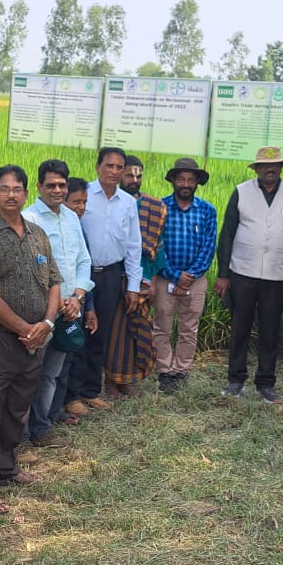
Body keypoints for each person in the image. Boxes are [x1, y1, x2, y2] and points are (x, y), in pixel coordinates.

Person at [0, 165, 62, 515]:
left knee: (18, 409)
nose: (11, 195)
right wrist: (24, 328)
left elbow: (53, 281)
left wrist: (47, 323)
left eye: (17, 189)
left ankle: (7, 466)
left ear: (25, 194)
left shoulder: (38, 234)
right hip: (1, 339)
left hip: (36, 338)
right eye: (4, 189)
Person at [214, 146, 283, 402]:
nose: (270, 169)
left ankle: (266, 383)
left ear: (281, 168)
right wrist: (223, 274)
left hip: (278, 276)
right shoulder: (241, 192)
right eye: (265, 165)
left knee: (270, 330)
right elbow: (227, 234)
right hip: (242, 272)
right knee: (240, 329)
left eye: (275, 165)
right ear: (256, 168)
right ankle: (236, 380)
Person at [22, 159, 94, 445]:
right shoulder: (29, 219)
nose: (57, 190)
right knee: (29, 375)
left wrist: (77, 297)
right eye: (50, 185)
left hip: (69, 310)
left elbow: (83, 261)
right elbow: (30, 270)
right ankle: (21, 435)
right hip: (41, 312)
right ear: (39, 187)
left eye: (61, 185)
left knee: (52, 373)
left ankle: (42, 428)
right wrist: (58, 302)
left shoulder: (71, 218)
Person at [68, 147, 141, 410]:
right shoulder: (82, 196)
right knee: (76, 335)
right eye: (108, 166)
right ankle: (71, 395)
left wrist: (133, 285)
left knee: (101, 335)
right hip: (80, 276)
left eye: (119, 167)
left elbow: (134, 245)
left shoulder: (128, 203)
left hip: (110, 276)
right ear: (98, 167)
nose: (113, 171)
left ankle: (90, 390)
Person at [104, 154, 166, 398]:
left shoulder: (154, 207)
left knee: (134, 330)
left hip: (143, 280)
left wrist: (150, 281)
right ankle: (111, 381)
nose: (134, 179)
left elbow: (158, 249)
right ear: (120, 175)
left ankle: (127, 380)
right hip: (115, 276)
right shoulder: (113, 203)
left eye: (138, 175)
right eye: (129, 174)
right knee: (114, 332)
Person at [153, 158, 217, 394]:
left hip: (195, 279)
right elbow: (156, 246)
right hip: (165, 277)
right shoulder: (160, 207)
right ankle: (164, 371)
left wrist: (190, 275)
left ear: (197, 183)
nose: (186, 183)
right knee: (162, 326)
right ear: (173, 180)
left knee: (189, 328)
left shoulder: (207, 210)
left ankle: (181, 370)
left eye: (191, 179)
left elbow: (209, 246)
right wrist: (174, 274)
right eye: (181, 178)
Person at [60, 177, 99, 422]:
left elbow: (85, 268)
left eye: (84, 202)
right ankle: (62, 404)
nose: (81, 207)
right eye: (76, 201)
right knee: (57, 361)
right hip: (59, 301)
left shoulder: (76, 226)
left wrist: (89, 306)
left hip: (78, 299)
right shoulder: (57, 225)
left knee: (73, 352)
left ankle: (68, 400)